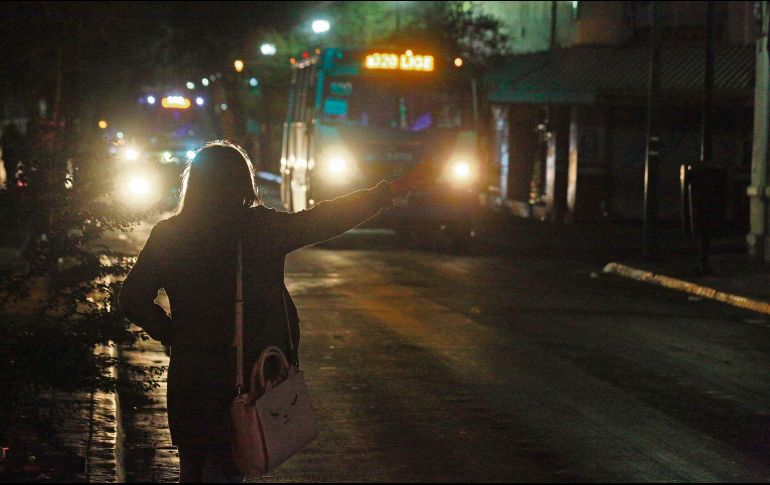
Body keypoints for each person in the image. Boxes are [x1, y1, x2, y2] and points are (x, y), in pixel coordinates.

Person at [119, 140, 432, 483]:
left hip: (190, 376)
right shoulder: (259, 229)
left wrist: (172, 332)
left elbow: (132, 297)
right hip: (238, 376)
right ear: (242, 183)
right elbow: (324, 219)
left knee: (192, 467)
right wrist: (384, 192)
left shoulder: (169, 234)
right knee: (225, 465)